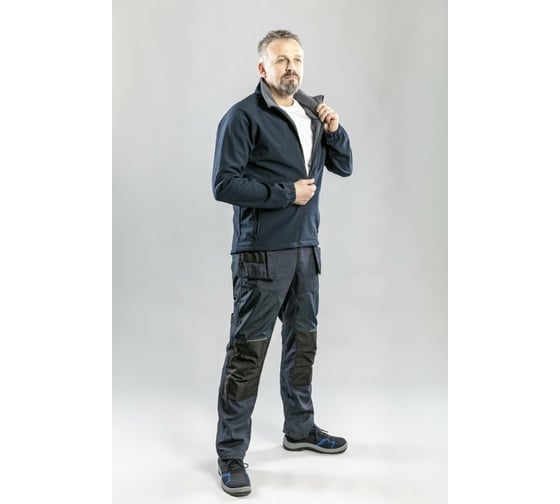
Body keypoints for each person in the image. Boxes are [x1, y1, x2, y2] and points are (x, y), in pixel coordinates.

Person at [212, 29, 353, 497]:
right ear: (263, 68)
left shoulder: (313, 113)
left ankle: (300, 429)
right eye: (281, 60)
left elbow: (344, 165)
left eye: (296, 59)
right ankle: (231, 454)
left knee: (302, 345)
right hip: (261, 255)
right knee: (247, 354)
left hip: (306, 251)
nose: (291, 67)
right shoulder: (243, 117)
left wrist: (335, 130)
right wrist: (284, 194)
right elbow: (224, 183)